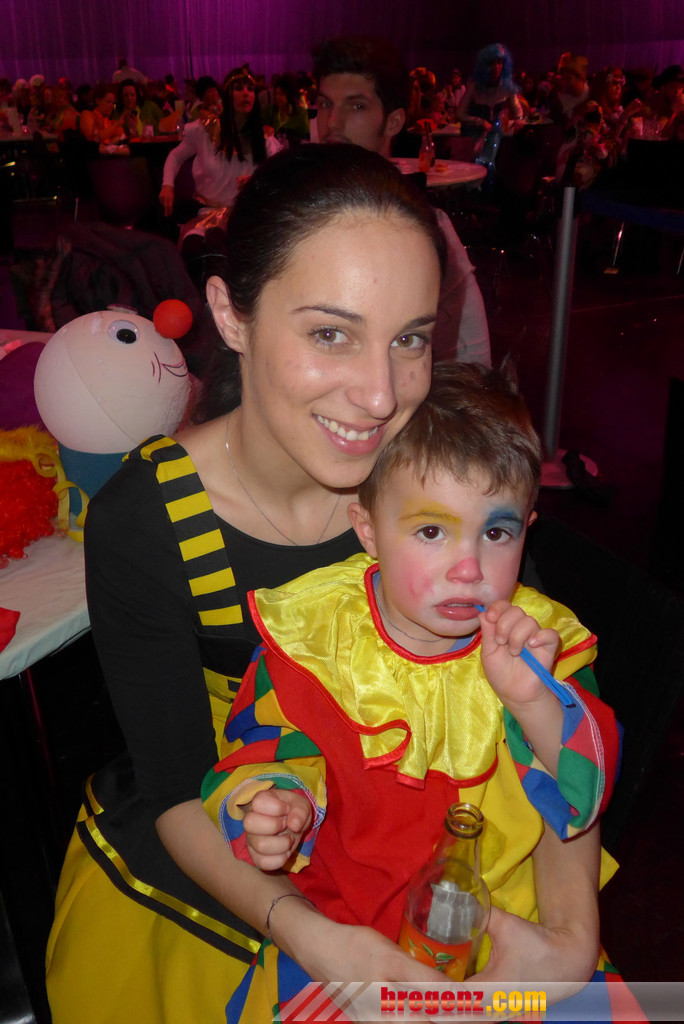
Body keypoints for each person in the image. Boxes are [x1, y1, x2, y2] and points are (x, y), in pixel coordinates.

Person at [46, 143, 608, 1024]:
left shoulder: (436, 477)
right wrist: (313, 937)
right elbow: (176, 786)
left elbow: (549, 699)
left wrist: (571, 936)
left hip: (445, 843)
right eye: (330, 333)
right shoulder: (147, 523)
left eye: (409, 339)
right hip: (239, 866)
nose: (381, 398)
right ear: (230, 314)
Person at [203, 361, 621, 1020]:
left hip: (508, 931)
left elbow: (588, 788)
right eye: (431, 531)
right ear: (368, 528)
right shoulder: (313, 633)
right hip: (350, 932)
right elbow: (259, 747)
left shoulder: (542, 642)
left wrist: (535, 701)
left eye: (497, 532)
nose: (469, 568)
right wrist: (274, 804)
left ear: (529, 525)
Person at [312, 34, 491, 366]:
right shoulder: (311, 215)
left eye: (356, 106)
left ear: (393, 122)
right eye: (325, 105)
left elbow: (472, 361)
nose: (332, 123)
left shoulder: (423, 231)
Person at [159, 67, 279, 251]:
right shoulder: (205, 131)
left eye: (250, 89)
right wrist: (167, 185)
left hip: (249, 216)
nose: (246, 93)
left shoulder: (264, 139)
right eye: (238, 88)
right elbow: (175, 156)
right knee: (199, 246)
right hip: (209, 215)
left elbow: (280, 174)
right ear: (227, 95)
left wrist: (257, 181)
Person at [455, 43, 523, 134]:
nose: (496, 67)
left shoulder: (506, 85)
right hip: (477, 135)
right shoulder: (475, 86)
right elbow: (459, 114)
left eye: (499, 63)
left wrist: (519, 119)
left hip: (499, 135)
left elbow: (518, 110)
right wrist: (478, 121)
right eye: (492, 63)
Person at [262, 72, 310, 144]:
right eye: (276, 94)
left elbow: (306, 137)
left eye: (281, 94)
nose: (277, 97)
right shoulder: (269, 111)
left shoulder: (300, 113)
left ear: (290, 94)